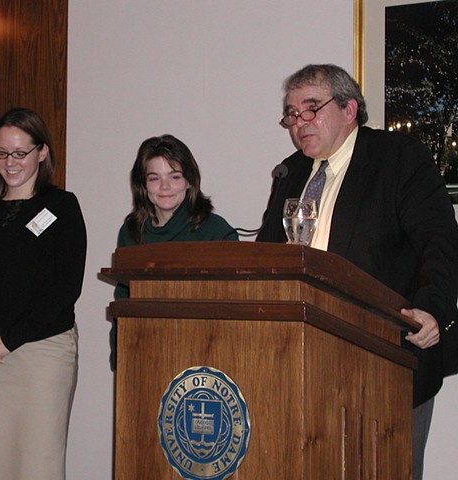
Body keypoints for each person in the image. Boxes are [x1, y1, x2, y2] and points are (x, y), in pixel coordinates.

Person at [256, 64, 458, 480]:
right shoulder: (290, 172)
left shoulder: (397, 159)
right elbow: (269, 257)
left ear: (349, 108)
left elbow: (440, 240)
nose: (299, 123)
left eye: (311, 108)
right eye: (291, 114)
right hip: (304, 356)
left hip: (385, 355)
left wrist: (433, 308)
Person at [0, 108, 87, 479]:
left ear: (41, 152)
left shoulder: (62, 207)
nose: (9, 163)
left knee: (35, 463)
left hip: (41, 351)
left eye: (19, 153)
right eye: (1, 153)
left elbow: (65, 288)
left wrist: (11, 340)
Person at [111, 134, 238, 368]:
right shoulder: (131, 232)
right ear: (142, 185)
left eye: (174, 176)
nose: (165, 187)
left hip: (204, 356)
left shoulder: (216, 231)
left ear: (189, 181)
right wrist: (121, 355)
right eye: (154, 178)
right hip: (142, 352)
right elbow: (123, 300)